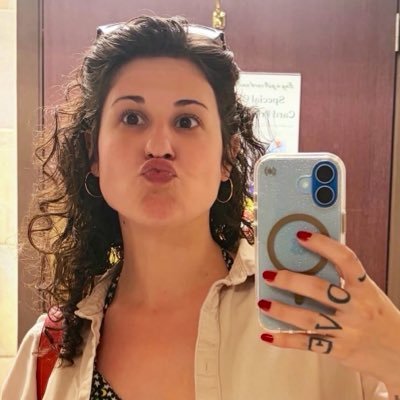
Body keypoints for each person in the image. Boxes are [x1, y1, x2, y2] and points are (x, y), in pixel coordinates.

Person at [1, 15, 399, 400]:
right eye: (132, 117)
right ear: (94, 152)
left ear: (228, 156)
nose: (159, 146)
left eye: (187, 121)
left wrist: (394, 354)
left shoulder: (325, 321)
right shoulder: (50, 350)